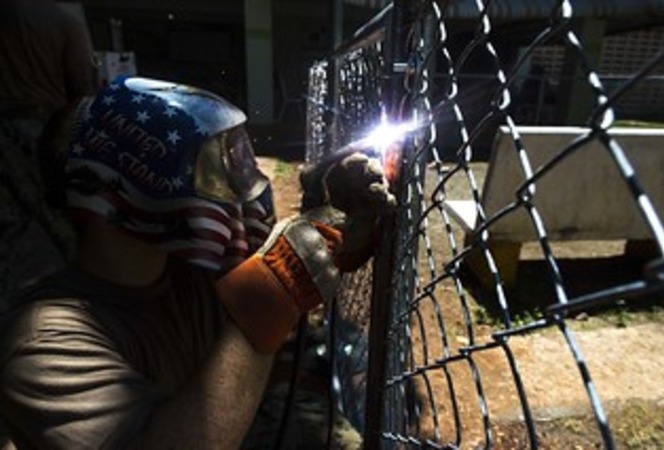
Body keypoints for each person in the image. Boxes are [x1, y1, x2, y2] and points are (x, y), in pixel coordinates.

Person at [0, 76, 395, 449]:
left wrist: (334, 215)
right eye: (204, 170)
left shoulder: (192, 274)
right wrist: (273, 292)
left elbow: (271, 360)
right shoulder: (42, 341)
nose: (233, 189)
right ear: (116, 190)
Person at [0, 0, 96, 312]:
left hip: (6, 127)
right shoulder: (65, 14)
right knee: (63, 218)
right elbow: (82, 82)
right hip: (47, 126)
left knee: (10, 222)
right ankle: (83, 301)